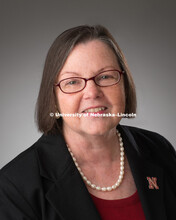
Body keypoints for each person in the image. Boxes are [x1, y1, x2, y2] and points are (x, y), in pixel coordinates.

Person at [0, 25, 176, 220]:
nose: (92, 93)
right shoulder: (14, 186)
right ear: (53, 97)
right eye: (72, 82)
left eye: (105, 76)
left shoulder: (160, 150)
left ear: (124, 84)